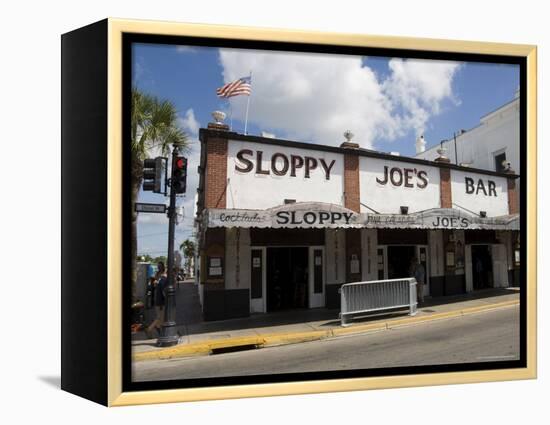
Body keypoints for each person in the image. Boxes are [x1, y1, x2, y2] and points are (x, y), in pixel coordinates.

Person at [145, 262, 167, 338]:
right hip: (161, 301)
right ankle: (150, 329)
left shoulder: (157, 278)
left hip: (157, 299)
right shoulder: (163, 279)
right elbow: (164, 292)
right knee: (160, 317)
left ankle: (158, 329)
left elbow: (154, 287)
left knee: (161, 318)